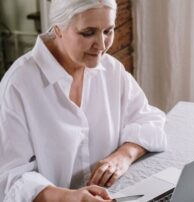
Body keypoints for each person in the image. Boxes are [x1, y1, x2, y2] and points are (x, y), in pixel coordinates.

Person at [0, 0, 167, 201]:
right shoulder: (18, 85)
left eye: (108, 31)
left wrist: (123, 156)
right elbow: (11, 180)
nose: (102, 45)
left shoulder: (112, 70)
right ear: (58, 29)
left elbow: (150, 121)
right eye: (88, 33)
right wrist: (72, 198)